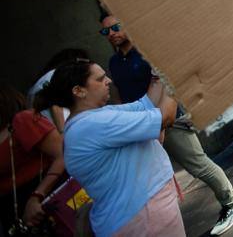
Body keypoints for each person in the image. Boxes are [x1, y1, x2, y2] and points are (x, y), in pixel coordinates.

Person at [100, 15, 233, 235]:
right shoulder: (113, 63)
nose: (112, 34)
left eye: (116, 28)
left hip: (170, 119)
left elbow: (172, 82)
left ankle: (232, 203)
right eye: (106, 31)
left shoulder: (148, 52)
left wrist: (166, 120)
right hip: (140, 126)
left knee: (197, 164)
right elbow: (120, 94)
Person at [37, 59, 182, 237]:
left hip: (140, 215)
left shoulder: (92, 119)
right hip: (144, 218)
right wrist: (176, 76)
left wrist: (157, 74)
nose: (109, 81)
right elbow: (165, 118)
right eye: (100, 79)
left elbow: (146, 105)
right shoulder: (90, 125)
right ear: (79, 91)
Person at [0, 85, 66, 233]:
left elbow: (63, 154)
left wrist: (36, 196)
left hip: (44, 197)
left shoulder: (22, 121)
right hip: (12, 211)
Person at [28, 47, 89, 133]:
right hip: (57, 131)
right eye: (83, 62)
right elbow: (56, 105)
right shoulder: (57, 75)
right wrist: (64, 132)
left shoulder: (43, 79)